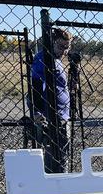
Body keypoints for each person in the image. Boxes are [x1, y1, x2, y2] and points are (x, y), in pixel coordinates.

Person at [29, 28, 73, 173]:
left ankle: (61, 182)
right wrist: (36, 111)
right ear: (52, 42)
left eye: (67, 47)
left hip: (62, 114)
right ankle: (54, 185)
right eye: (61, 47)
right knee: (53, 155)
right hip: (51, 115)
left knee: (62, 154)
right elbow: (34, 86)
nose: (64, 51)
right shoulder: (43, 59)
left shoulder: (56, 60)